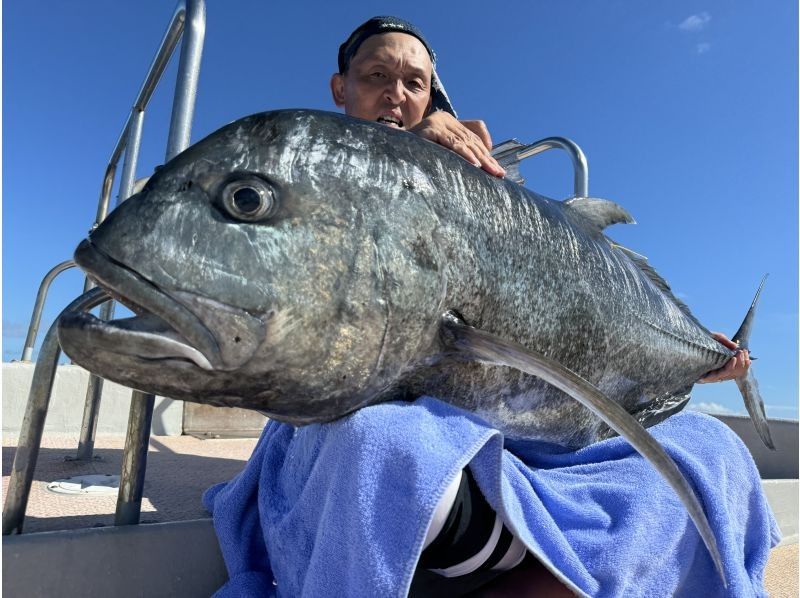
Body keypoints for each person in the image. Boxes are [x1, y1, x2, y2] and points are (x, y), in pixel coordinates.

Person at [203, 16, 777, 597]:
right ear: (340, 88)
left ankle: (530, 562)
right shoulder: (305, 177)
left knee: (712, 451)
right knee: (385, 453)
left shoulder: (474, 172)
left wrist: (700, 362)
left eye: (415, 83)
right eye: (376, 74)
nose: (394, 95)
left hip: (512, 420)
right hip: (368, 416)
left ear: (432, 96)